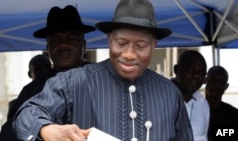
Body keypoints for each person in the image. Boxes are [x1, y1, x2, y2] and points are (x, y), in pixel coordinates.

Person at [13, 0, 193, 141]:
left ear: (154, 45)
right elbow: (27, 114)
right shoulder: (73, 82)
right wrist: (46, 129)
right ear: (109, 40)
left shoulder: (169, 93)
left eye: (141, 45)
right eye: (121, 43)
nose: (129, 54)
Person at [0, 5, 95, 141]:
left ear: (84, 45)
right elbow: (8, 135)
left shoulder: (101, 78)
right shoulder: (31, 91)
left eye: (71, 39)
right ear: (47, 48)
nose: (63, 45)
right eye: (56, 40)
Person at [171, 50, 210, 141]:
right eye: (190, 69)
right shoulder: (158, 98)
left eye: (201, 72)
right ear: (176, 69)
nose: (196, 75)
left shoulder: (203, 104)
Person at [205, 66, 238, 140]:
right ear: (205, 80)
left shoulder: (234, 115)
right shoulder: (191, 110)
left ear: (226, 86)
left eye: (221, 82)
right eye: (213, 80)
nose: (217, 85)